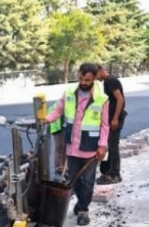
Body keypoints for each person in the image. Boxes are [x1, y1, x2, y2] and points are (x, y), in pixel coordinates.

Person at [46, 63, 109, 226]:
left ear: (94, 78)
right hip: (72, 146)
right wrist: (44, 119)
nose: (83, 82)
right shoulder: (68, 93)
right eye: (81, 78)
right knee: (74, 180)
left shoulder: (102, 98)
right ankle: (82, 202)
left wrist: (102, 146)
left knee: (87, 181)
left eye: (87, 80)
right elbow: (57, 110)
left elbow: (104, 125)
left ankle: (83, 211)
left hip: (90, 148)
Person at [95, 65, 126, 184]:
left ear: (100, 71)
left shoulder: (110, 81)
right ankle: (111, 169)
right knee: (111, 144)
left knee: (113, 145)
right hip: (112, 117)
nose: (96, 79)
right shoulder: (107, 82)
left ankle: (115, 173)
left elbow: (120, 99)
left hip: (115, 117)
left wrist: (115, 118)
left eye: (95, 75)